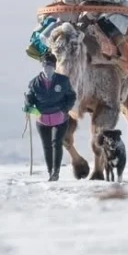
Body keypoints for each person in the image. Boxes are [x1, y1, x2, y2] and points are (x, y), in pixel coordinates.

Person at [23, 53, 77, 181]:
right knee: (46, 146)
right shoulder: (34, 83)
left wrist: (64, 110)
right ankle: (50, 171)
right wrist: (28, 103)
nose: (48, 70)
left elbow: (71, 96)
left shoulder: (63, 81)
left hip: (60, 119)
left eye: (51, 67)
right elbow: (31, 100)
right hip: (42, 120)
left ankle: (56, 172)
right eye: (46, 67)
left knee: (57, 143)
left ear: (54, 67)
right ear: (42, 67)